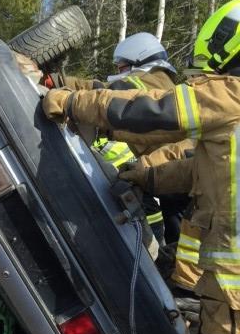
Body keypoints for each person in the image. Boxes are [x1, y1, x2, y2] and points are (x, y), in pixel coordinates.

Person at [42, 0, 240, 334]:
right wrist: (143, 179)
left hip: (235, 273)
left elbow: (150, 114)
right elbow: (202, 168)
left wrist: (70, 102)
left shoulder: (230, 95)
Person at [64, 32, 180, 248]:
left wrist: (66, 92)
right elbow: (100, 88)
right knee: (177, 237)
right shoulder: (159, 83)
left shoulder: (150, 83)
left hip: (177, 180)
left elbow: (106, 94)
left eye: (121, 67)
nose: (118, 73)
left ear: (139, 61)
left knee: (181, 239)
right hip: (172, 180)